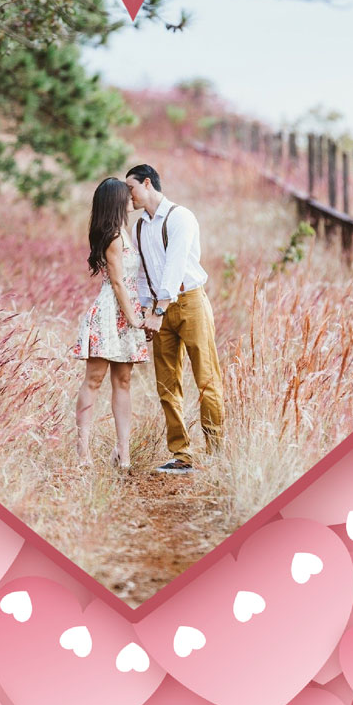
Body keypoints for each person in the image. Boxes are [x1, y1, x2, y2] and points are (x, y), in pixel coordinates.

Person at [125, 164, 224, 474]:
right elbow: (142, 273)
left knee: (206, 378)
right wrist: (145, 311)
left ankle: (216, 453)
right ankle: (182, 455)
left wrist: (158, 311)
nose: (129, 196)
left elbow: (175, 266)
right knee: (167, 384)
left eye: (131, 188)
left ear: (146, 183)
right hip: (158, 310)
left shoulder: (180, 216)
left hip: (189, 302)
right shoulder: (138, 227)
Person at [72, 177, 148, 469]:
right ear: (116, 201)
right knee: (94, 380)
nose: (130, 197)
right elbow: (116, 281)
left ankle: (123, 452)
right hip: (111, 312)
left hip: (126, 310)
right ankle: (83, 453)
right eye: (125, 194)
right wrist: (132, 318)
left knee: (124, 382)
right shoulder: (114, 235)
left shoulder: (124, 232)